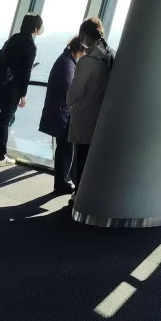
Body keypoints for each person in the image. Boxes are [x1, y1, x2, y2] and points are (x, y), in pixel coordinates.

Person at [0, 13, 42, 168]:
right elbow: (26, 73)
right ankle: (0, 156)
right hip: (12, 87)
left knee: (5, 119)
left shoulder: (13, 38)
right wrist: (23, 95)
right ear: (35, 28)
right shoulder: (30, 45)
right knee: (5, 120)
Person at [66, 17, 114, 191]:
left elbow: (76, 89)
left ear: (85, 37)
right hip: (101, 116)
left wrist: (67, 100)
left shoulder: (86, 62)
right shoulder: (110, 56)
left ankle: (78, 194)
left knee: (81, 157)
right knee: (92, 159)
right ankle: (87, 193)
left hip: (84, 115)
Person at [40, 36, 85, 193]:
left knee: (64, 148)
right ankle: (62, 182)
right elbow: (69, 90)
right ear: (79, 50)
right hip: (62, 114)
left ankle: (64, 180)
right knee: (65, 148)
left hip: (59, 112)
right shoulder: (67, 64)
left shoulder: (65, 60)